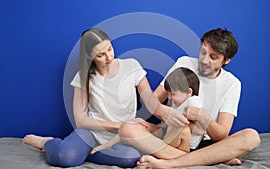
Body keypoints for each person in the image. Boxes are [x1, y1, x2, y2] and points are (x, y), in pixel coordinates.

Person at [22, 28, 183, 168]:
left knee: (130, 158)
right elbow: (81, 120)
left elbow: (149, 100)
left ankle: (84, 153)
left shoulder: (132, 66)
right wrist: (119, 125)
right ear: (90, 56)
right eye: (101, 55)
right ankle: (47, 142)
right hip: (91, 134)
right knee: (65, 157)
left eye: (110, 49)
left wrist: (163, 111)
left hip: (121, 139)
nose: (109, 57)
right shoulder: (83, 77)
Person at [119, 28, 261, 168]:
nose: (205, 60)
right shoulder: (184, 63)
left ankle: (170, 162)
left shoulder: (232, 84)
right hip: (170, 134)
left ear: (227, 60)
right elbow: (152, 100)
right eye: (203, 52)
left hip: (205, 142)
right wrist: (163, 111)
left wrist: (205, 119)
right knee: (128, 128)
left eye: (213, 57)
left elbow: (222, 135)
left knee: (251, 137)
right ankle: (213, 159)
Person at [90, 67, 203, 154]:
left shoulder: (193, 101)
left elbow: (198, 130)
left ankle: (161, 154)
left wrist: (177, 121)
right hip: (169, 137)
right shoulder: (180, 101)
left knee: (182, 128)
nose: (169, 98)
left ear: (189, 92)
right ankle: (108, 145)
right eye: (168, 94)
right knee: (133, 123)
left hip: (186, 145)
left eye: (172, 94)